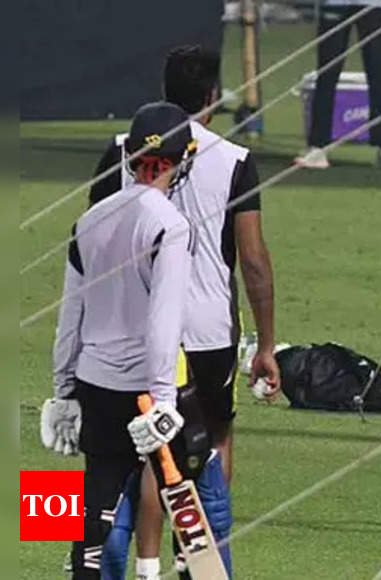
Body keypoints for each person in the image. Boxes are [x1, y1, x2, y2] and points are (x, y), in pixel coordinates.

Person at [86, 45, 280, 579]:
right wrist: (266, 345)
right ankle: (199, 562)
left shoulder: (120, 150)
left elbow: (91, 243)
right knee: (209, 447)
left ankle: (104, 562)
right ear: (213, 97)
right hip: (206, 332)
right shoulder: (236, 159)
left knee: (116, 458)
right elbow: (253, 261)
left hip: (123, 334)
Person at [42, 102, 200, 579]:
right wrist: (164, 400)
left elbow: (70, 315)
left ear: (131, 155)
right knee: (191, 499)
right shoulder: (171, 225)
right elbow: (164, 319)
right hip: (148, 389)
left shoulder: (89, 220)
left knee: (93, 500)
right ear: (183, 159)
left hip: (95, 381)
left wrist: (63, 390)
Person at [294, 0, 381, 171]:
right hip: (335, 3)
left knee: (379, 72)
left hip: (376, 4)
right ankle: (318, 146)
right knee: (327, 73)